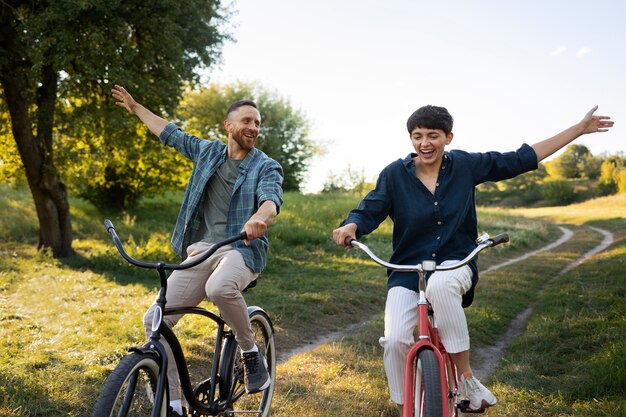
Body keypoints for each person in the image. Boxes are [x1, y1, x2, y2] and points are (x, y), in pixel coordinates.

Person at [332, 105, 613, 414]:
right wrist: (352, 225)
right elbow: (370, 207)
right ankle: (405, 406)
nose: (425, 143)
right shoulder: (394, 175)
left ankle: (467, 379)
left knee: (439, 286)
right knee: (396, 338)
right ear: (410, 138)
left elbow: (520, 159)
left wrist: (577, 129)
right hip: (407, 270)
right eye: (417, 136)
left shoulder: (465, 165)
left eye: (433, 136)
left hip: (456, 263)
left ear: (448, 137)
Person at [112, 85, 284, 417]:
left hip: (241, 249)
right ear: (228, 125)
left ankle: (250, 353)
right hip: (202, 250)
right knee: (155, 321)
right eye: (247, 121)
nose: (253, 128)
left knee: (219, 287)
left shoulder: (266, 165)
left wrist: (260, 218)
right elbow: (169, 132)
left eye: (258, 123)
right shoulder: (207, 153)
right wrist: (135, 108)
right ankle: (174, 403)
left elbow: (271, 199)